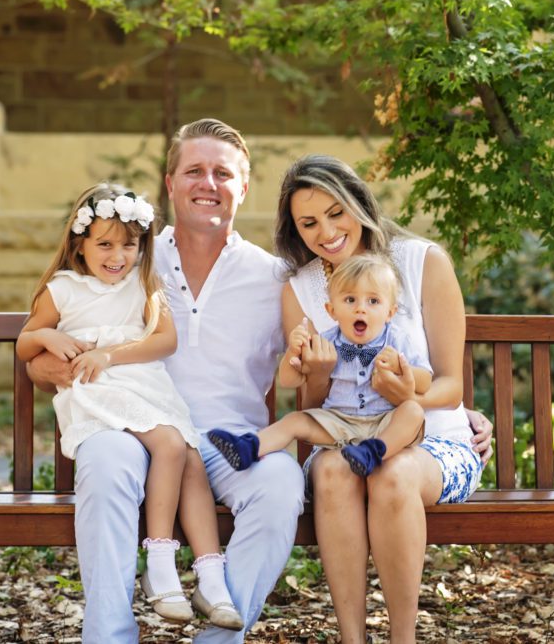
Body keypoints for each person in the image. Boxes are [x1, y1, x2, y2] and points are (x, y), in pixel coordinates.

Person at [26, 120, 305, 643]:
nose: (208, 183)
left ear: (244, 186)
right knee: (105, 461)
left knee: (282, 482)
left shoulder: (274, 278)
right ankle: (109, 637)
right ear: (170, 182)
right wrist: (60, 367)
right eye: (194, 170)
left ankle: (218, 640)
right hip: (133, 428)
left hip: (230, 442)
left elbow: (330, 355)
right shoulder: (128, 257)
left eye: (223, 173)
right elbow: (41, 356)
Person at [275, 154, 490, 643]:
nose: (327, 232)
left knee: (392, 472)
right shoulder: (301, 291)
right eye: (309, 223)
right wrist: (319, 374)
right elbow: (309, 402)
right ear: (296, 230)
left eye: (336, 212)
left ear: (358, 202)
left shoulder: (421, 262)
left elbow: (452, 385)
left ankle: (402, 639)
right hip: (344, 440)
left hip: (436, 445)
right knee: (333, 472)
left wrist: (407, 394)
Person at [16, 182, 241, 629]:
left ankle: (211, 577)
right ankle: (159, 564)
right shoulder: (62, 290)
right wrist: (47, 335)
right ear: (80, 245)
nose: (117, 255)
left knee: (190, 458)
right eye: (105, 244)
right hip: (98, 391)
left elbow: (165, 340)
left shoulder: (144, 283)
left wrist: (110, 354)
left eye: (129, 245)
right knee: (172, 447)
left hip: (143, 386)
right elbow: (25, 344)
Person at [206, 252, 430, 476]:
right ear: (332, 311)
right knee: (294, 420)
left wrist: (401, 368)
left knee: (413, 411)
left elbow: (425, 381)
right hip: (338, 422)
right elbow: (289, 380)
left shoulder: (397, 340)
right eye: (350, 300)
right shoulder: (325, 342)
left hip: (384, 422)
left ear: (390, 312)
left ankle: (372, 453)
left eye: (373, 301)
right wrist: (293, 352)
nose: (361, 308)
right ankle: (248, 448)